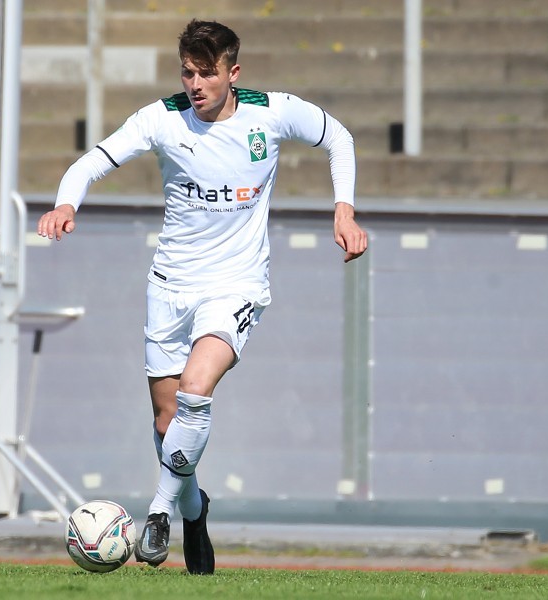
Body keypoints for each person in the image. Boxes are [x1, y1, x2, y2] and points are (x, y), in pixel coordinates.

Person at [37, 19, 368, 575]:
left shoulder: (272, 112)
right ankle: (194, 508)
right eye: (187, 73)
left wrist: (344, 210)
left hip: (236, 284)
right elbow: (91, 161)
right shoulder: (161, 119)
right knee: (167, 426)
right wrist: (67, 203)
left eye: (206, 73)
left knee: (196, 389)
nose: (195, 84)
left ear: (232, 73)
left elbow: (339, 137)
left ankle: (159, 512)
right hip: (170, 287)